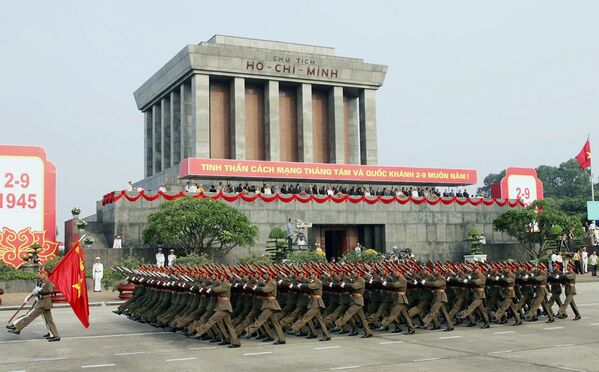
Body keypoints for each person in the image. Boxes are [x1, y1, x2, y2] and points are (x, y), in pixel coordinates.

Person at [7, 270, 60, 342]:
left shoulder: (48, 282)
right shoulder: (41, 281)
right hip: (42, 302)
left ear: (45, 275)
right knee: (49, 320)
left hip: (43, 303)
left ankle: (18, 328)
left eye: (41, 274)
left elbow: (50, 290)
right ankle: (55, 335)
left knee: (30, 316)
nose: (39, 275)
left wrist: (39, 292)